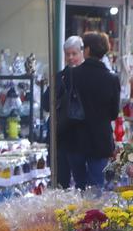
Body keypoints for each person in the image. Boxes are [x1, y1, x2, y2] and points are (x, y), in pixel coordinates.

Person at [58, 33, 120, 191]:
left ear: (87, 50)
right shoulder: (111, 79)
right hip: (100, 141)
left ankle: (78, 214)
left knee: (79, 186)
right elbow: (114, 113)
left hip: (74, 138)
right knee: (96, 187)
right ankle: (92, 216)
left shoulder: (73, 75)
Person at [47, 36, 85, 188]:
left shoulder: (86, 76)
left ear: (82, 52)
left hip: (81, 137)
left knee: (82, 182)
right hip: (61, 136)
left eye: (74, 54)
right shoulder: (60, 77)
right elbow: (46, 102)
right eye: (67, 54)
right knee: (61, 181)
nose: (70, 58)